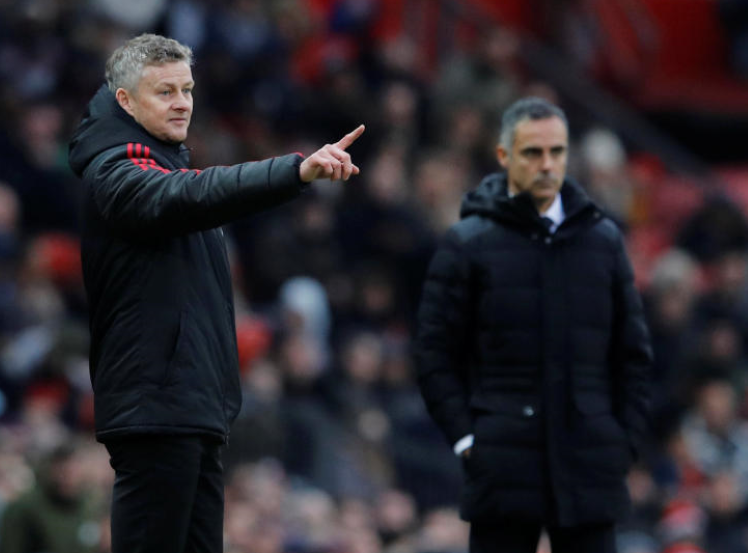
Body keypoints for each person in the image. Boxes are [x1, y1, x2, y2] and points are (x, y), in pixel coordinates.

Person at [67, 34, 364, 553]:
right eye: (165, 91)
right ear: (126, 101)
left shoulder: (163, 163)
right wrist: (294, 171)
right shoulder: (115, 168)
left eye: (187, 89)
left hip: (188, 406)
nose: (182, 102)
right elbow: (191, 194)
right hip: (157, 405)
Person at [414, 97, 652, 553]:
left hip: (589, 466)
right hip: (500, 468)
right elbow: (433, 354)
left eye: (556, 152)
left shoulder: (603, 242)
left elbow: (633, 355)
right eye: (532, 152)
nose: (547, 164)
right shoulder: (467, 245)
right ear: (504, 156)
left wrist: (621, 442)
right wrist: (466, 439)